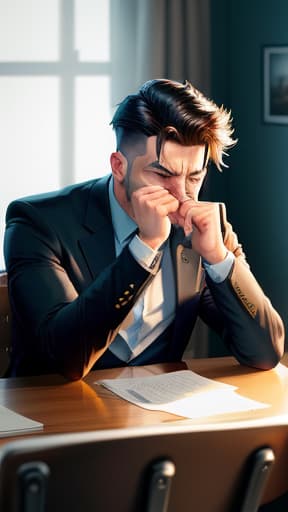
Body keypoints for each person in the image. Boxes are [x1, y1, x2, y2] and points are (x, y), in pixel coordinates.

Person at [4, 79, 284, 381]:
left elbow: (264, 353)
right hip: (50, 415)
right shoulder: (36, 222)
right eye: (162, 174)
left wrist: (218, 258)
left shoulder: (207, 229)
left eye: (194, 177)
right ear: (119, 166)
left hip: (154, 417)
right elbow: (64, 359)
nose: (182, 196)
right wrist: (144, 247)